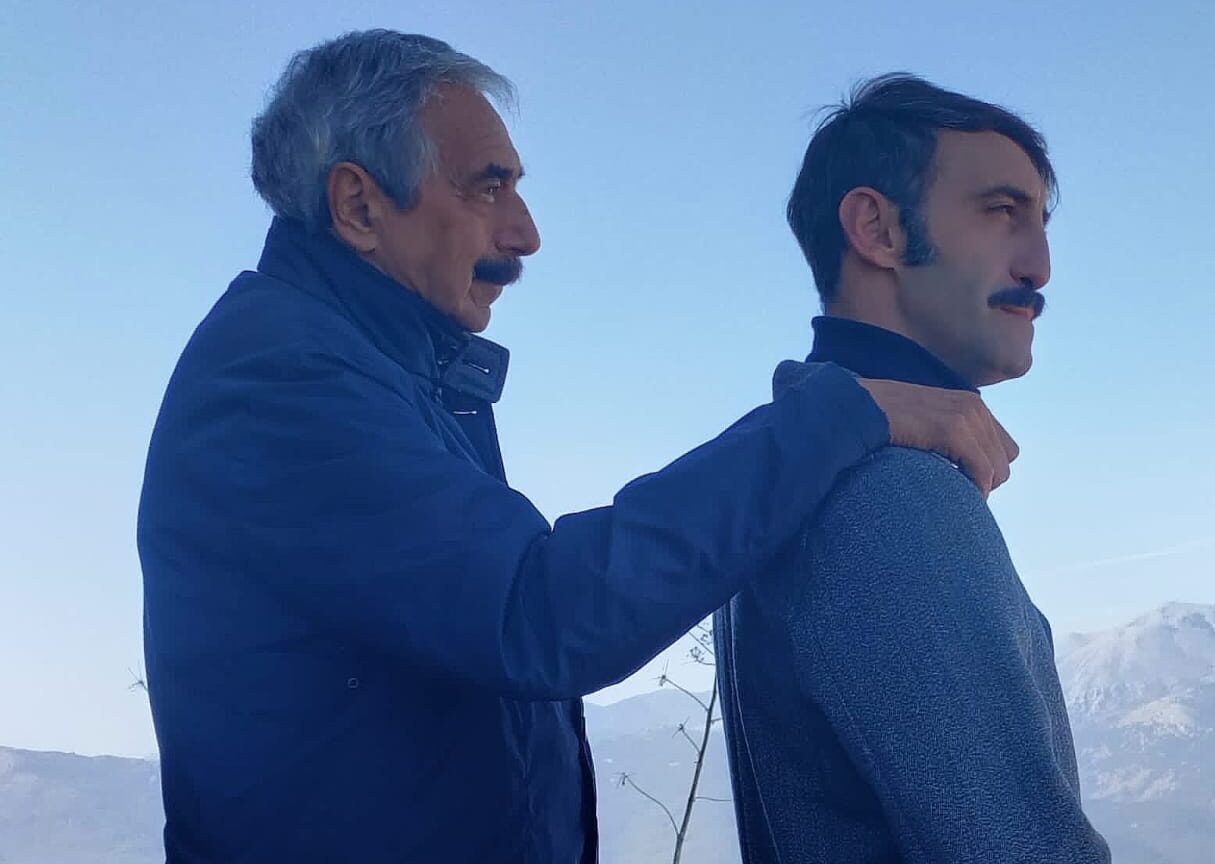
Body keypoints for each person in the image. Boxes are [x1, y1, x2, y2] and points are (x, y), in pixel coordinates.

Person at [136, 33, 1017, 864]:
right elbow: (539, 617)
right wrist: (839, 415)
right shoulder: (278, 386)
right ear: (360, 206)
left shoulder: (387, 377)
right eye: (487, 188)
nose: (524, 233)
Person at [715, 74, 1112, 863]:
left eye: (1041, 221)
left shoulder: (791, 474)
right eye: (1001, 211)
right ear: (878, 229)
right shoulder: (891, 495)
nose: (1040, 265)